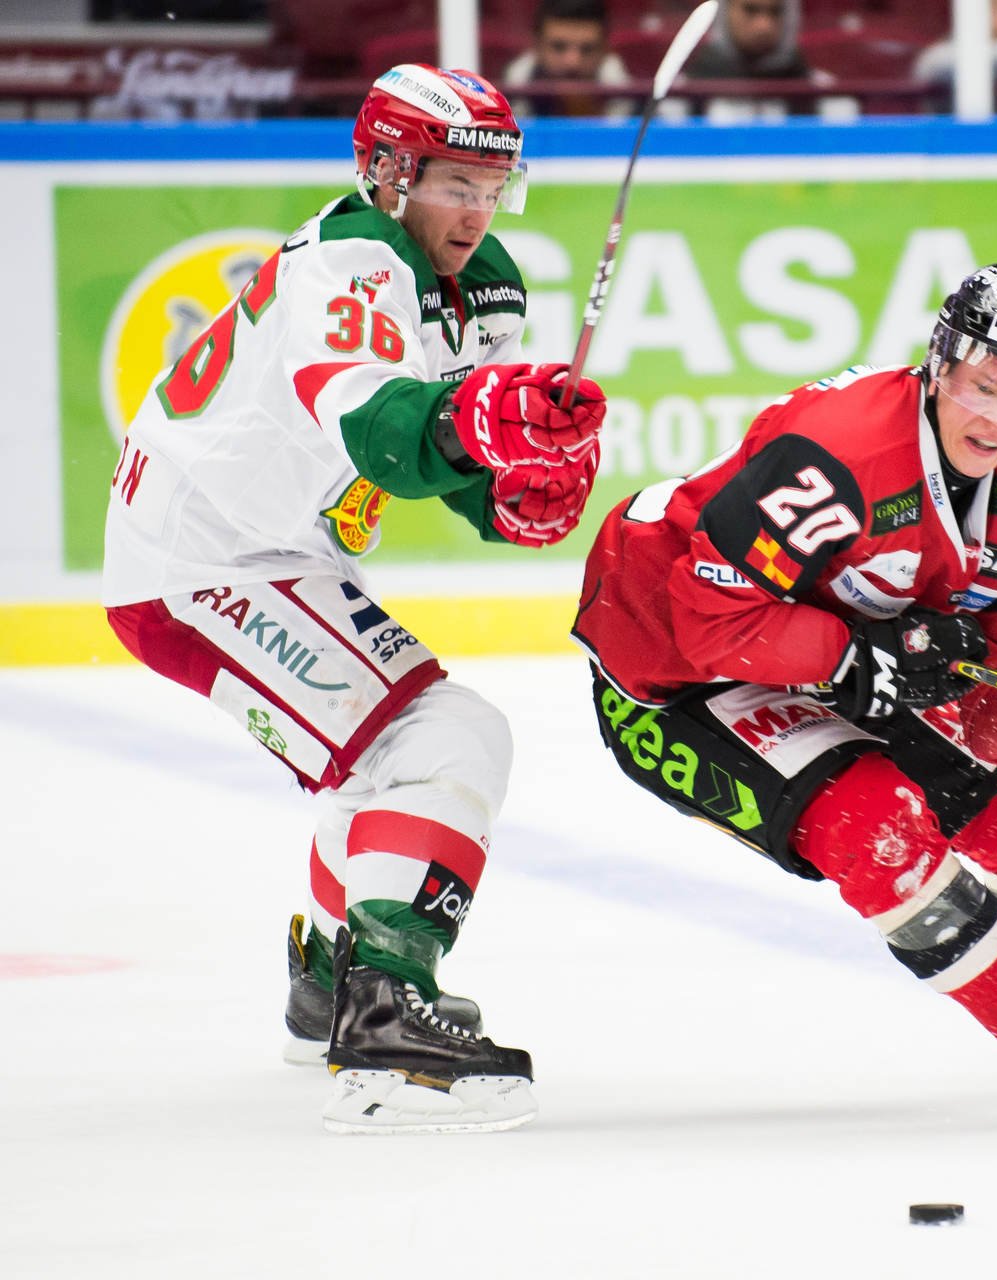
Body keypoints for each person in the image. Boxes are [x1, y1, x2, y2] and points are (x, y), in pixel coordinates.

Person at [572, 265, 997, 1121]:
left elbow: (996, 695)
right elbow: (708, 618)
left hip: (829, 649)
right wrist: (854, 657)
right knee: (874, 819)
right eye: (983, 386)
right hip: (672, 675)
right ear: (941, 365)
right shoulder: (838, 455)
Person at [101, 65, 608, 1134]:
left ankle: (333, 985)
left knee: (382, 760)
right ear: (385, 172)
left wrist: (519, 489)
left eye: (493, 186)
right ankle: (384, 1002)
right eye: (454, 184)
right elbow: (382, 427)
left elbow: (452, 464)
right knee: (447, 735)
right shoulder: (348, 263)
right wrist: (486, 425)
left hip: (268, 548)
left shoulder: (487, 280)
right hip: (203, 558)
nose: (477, 213)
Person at [683, 0, 825, 122]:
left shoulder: (823, 93)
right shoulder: (682, 93)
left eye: (775, 12)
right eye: (750, 10)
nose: (764, 26)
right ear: (724, 12)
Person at [501, 0, 636, 119]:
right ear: (537, 46)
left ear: (605, 50)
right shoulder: (510, 92)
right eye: (559, 47)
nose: (572, 63)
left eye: (587, 49)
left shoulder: (630, 98)